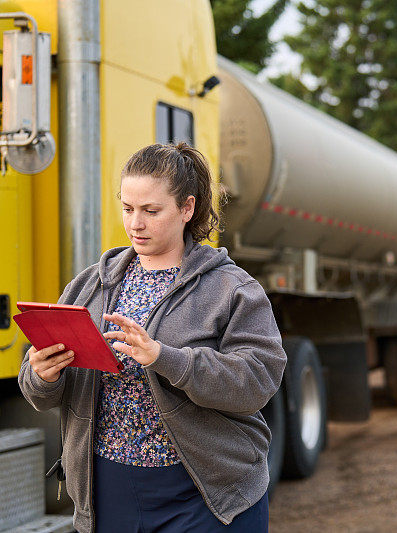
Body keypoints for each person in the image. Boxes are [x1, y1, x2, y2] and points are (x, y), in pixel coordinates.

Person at [18, 142, 286, 532]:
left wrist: (164, 357)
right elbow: (41, 394)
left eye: (151, 211)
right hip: (108, 494)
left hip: (204, 498)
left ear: (187, 208)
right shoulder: (88, 286)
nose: (135, 224)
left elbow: (257, 381)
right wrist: (42, 375)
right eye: (127, 209)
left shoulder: (232, 288)